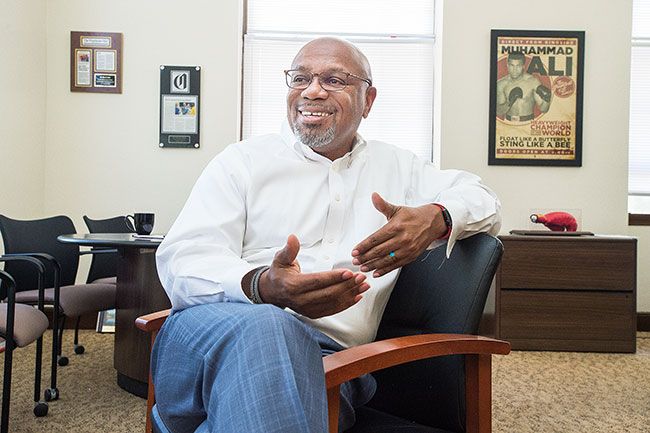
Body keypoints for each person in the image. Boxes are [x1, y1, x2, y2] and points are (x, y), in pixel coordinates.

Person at [152, 37, 502, 433]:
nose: (312, 91)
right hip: (214, 331)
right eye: (300, 78)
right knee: (269, 326)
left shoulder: (400, 169)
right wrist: (262, 285)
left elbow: (484, 198)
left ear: (368, 100)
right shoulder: (241, 162)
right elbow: (182, 258)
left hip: (331, 361)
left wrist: (437, 216)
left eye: (334, 80)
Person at [496, 51, 551, 122]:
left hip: (528, 123)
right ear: (507, 66)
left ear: (523, 66)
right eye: (512, 65)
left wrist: (546, 99)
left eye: (518, 66)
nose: (514, 70)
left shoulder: (532, 81)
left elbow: (544, 109)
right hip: (509, 123)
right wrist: (509, 102)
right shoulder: (501, 84)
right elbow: (499, 112)